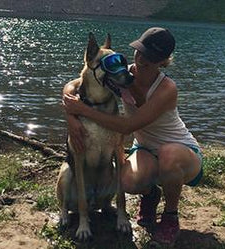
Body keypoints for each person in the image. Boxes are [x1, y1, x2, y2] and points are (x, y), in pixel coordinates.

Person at [62, 27, 203, 246]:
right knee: (127, 181)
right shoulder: (125, 72)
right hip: (145, 149)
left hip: (180, 150)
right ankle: (150, 196)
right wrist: (70, 113)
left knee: (168, 155)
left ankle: (170, 217)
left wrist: (84, 111)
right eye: (140, 52)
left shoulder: (167, 88)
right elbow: (80, 81)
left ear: (163, 61)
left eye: (152, 58)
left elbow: (128, 126)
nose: (143, 60)